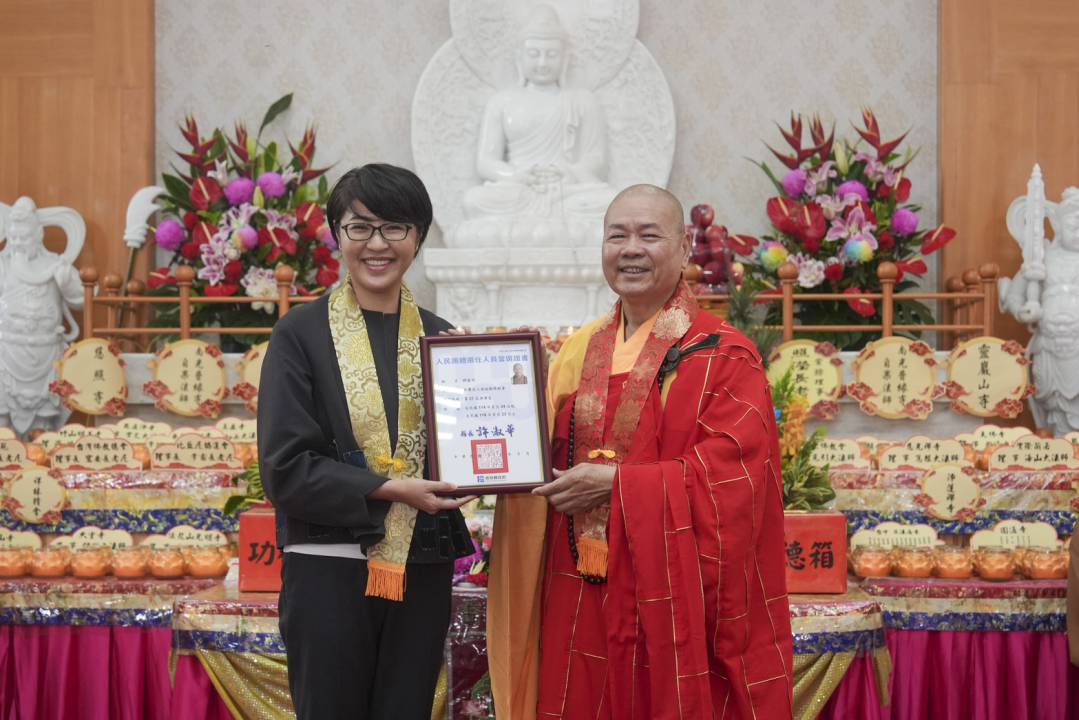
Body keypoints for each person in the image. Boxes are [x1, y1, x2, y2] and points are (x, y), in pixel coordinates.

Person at [488, 185, 794, 719]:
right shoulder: (577, 350)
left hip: (672, 591)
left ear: (684, 247)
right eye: (617, 236)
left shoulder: (724, 354)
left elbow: (734, 480)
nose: (631, 249)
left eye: (649, 235)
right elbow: (536, 455)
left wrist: (619, 486)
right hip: (577, 585)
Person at [258, 163, 475, 719]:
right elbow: (285, 467)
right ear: (338, 235)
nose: (377, 244)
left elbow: (465, 450)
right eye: (360, 227)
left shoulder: (444, 338)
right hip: (328, 565)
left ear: (418, 237)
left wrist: (488, 396)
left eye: (395, 227)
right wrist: (390, 488)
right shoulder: (299, 334)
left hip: (421, 566)